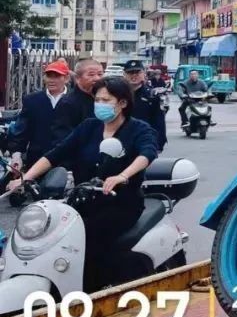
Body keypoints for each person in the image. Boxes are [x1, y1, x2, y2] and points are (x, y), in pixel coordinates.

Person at [6, 76, 159, 291]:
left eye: (106, 100)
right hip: (83, 201)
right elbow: (56, 154)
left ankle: (92, 292)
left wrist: (122, 176)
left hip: (120, 204)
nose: (100, 104)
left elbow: (147, 154)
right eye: (97, 100)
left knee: (88, 241)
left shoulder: (138, 129)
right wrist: (26, 177)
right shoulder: (89, 127)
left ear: (123, 103)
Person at [8, 60, 70, 172]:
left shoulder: (74, 100)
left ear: (66, 78)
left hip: (67, 163)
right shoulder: (32, 100)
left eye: (56, 76)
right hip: (36, 161)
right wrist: (16, 156)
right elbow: (21, 131)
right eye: (48, 76)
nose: (51, 80)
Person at [51, 58, 103, 145]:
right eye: (91, 75)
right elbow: (63, 139)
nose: (97, 78)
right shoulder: (68, 103)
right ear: (77, 78)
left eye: (100, 74)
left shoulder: (105, 98)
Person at [123, 60, 167, 152]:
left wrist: (159, 143)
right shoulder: (118, 94)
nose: (134, 75)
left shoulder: (151, 95)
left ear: (143, 74)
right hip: (122, 139)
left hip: (144, 140)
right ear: (124, 75)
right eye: (130, 72)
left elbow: (159, 122)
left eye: (137, 72)